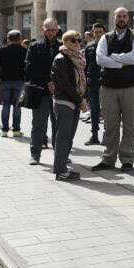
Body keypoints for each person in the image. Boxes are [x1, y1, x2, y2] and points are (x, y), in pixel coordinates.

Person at [92, 8, 134, 172]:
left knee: (130, 126)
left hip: (131, 88)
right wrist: (123, 62)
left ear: (128, 18)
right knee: (110, 126)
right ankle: (108, 159)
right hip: (108, 88)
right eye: (118, 16)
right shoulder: (105, 38)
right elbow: (100, 59)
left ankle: (127, 160)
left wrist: (113, 57)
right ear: (114, 18)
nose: (121, 19)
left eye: (124, 16)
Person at [51, 31, 88, 181]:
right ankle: (60, 171)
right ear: (65, 42)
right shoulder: (61, 58)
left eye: (79, 40)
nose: (78, 43)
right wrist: (80, 101)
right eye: (73, 40)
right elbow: (65, 84)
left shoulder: (77, 58)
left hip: (74, 101)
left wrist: (81, 99)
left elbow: (79, 82)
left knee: (69, 137)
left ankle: (63, 168)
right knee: (63, 137)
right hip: (64, 101)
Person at [25, 19, 61, 165]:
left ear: (57, 30)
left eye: (53, 30)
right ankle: (35, 154)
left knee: (58, 125)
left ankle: (60, 154)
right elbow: (29, 69)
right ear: (43, 29)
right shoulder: (35, 46)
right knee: (39, 124)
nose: (51, 33)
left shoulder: (63, 46)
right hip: (41, 92)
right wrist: (48, 82)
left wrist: (57, 83)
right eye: (48, 29)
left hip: (60, 92)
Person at [0, 30, 27, 137]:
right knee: (17, 106)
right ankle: (16, 130)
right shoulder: (24, 51)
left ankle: (4, 130)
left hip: (4, 81)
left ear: (8, 39)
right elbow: (28, 67)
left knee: (6, 105)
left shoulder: (1, 51)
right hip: (20, 81)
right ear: (20, 39)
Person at [84, 22, 106, 145]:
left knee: (107, 110)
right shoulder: (89, 46)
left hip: (106, 82)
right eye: (95, 32)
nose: (97, 34)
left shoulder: (109, 45)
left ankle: (106, 136)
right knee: (94, 110)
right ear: (92, 32)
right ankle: (94, 135)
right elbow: (86, 65)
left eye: (100, 32)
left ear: (104, 32)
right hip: (92, 82)